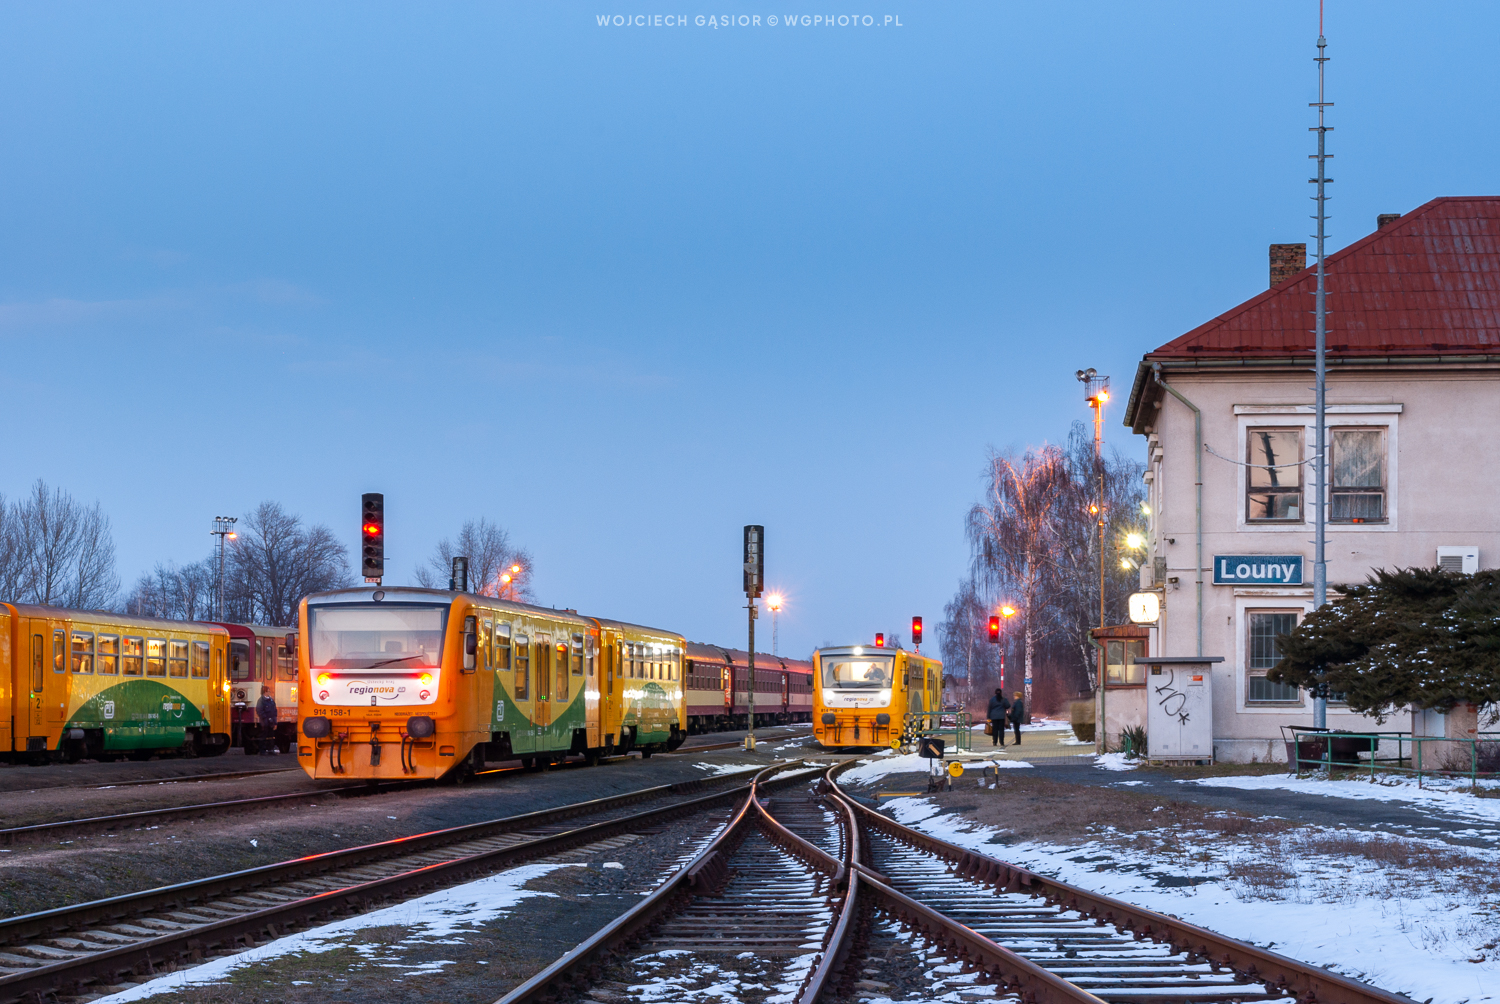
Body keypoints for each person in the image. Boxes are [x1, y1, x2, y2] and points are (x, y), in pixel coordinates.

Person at [256, 685, 279, 755]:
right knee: (263, 736)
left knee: (271, 736)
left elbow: (274, 711)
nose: (269, 692)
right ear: (265, 692)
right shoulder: (261, 700)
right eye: (268, 691)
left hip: (271, 721)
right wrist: (265, 718)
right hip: (264, 722)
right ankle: (262, 750)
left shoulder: (271, 700)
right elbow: (259, 710)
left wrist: (275, 722)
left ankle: (270, 749)